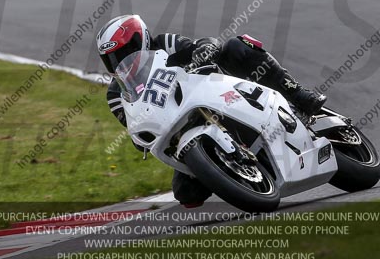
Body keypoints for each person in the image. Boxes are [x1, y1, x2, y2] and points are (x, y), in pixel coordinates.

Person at [96, 14, 326, 207]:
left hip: (220, 92)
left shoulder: (165, 43)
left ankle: (298, 94)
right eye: (113, 57)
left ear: (142, 40)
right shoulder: (116, 94)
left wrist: (203, 52)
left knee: (237, 46)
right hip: (181, 130)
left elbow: (205, 44)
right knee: (186, 194)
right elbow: (135, 131)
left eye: (127, 51)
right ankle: (231, 169)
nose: (121, 60)